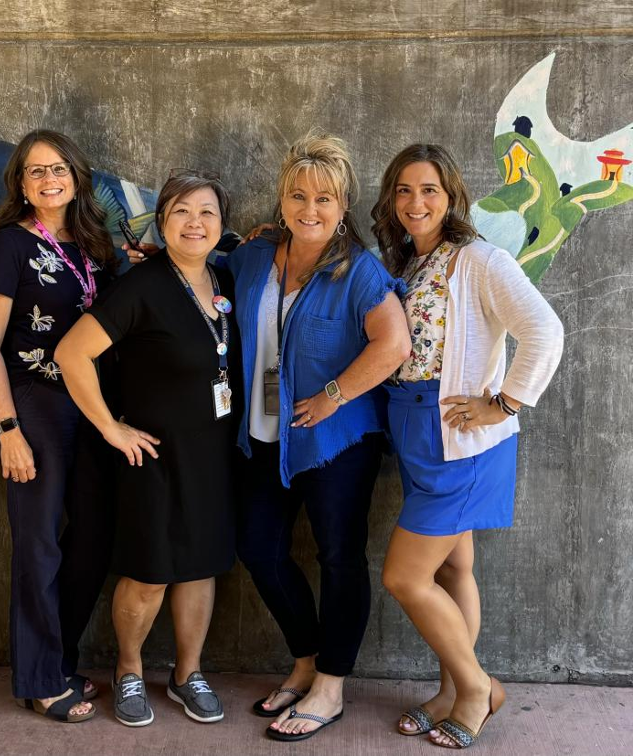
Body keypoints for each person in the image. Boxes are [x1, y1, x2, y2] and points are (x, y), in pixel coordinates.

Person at [373, 144, 563, 749]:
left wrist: (503, 403)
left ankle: (478, 687)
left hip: (461, 437)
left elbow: (544, 331)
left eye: (428, 189)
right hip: (414, 430)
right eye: (403, 190)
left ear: (451, 194)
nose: (415, 202)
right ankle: (452, 689)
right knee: (454, 565)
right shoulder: (408, 264)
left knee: (405, 577)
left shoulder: (480, 260)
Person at [226, 134, 410, 742]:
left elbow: (394, 345)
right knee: (259, 548)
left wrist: (334, 396)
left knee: (338, 557)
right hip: (264, 434)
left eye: (324, 198)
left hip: (336, 443)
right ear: (280, 200)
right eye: (298, 195)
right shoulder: (254, 256)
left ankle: (331, 684)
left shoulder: (359, 268)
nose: (310, 208)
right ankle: (304, 661)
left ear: (343, 204)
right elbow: (205, 275)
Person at [55, 171, 238, 728]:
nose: (195, 223)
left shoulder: (221, 279)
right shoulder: (143, 285)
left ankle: (188, 673)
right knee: (150, 572)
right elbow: (71, 354)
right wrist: (111, 427)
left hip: (211, 453)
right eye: (181, 212)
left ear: (221, 224)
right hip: (151, 455)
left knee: (199, 567)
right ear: (162, 221)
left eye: (206, 212)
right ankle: (130, 669)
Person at [0, 130, 116, 723]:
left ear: (76, 175)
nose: (48, 179)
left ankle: (58, 661)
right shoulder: (9, 245)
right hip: (33, 404)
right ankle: (37, 679)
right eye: (35, 172)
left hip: (92, 405)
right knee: (37, 543)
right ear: (21, 184)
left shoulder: (95, 246)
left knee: (91, 539)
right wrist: (6, 429)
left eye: (57, 168)